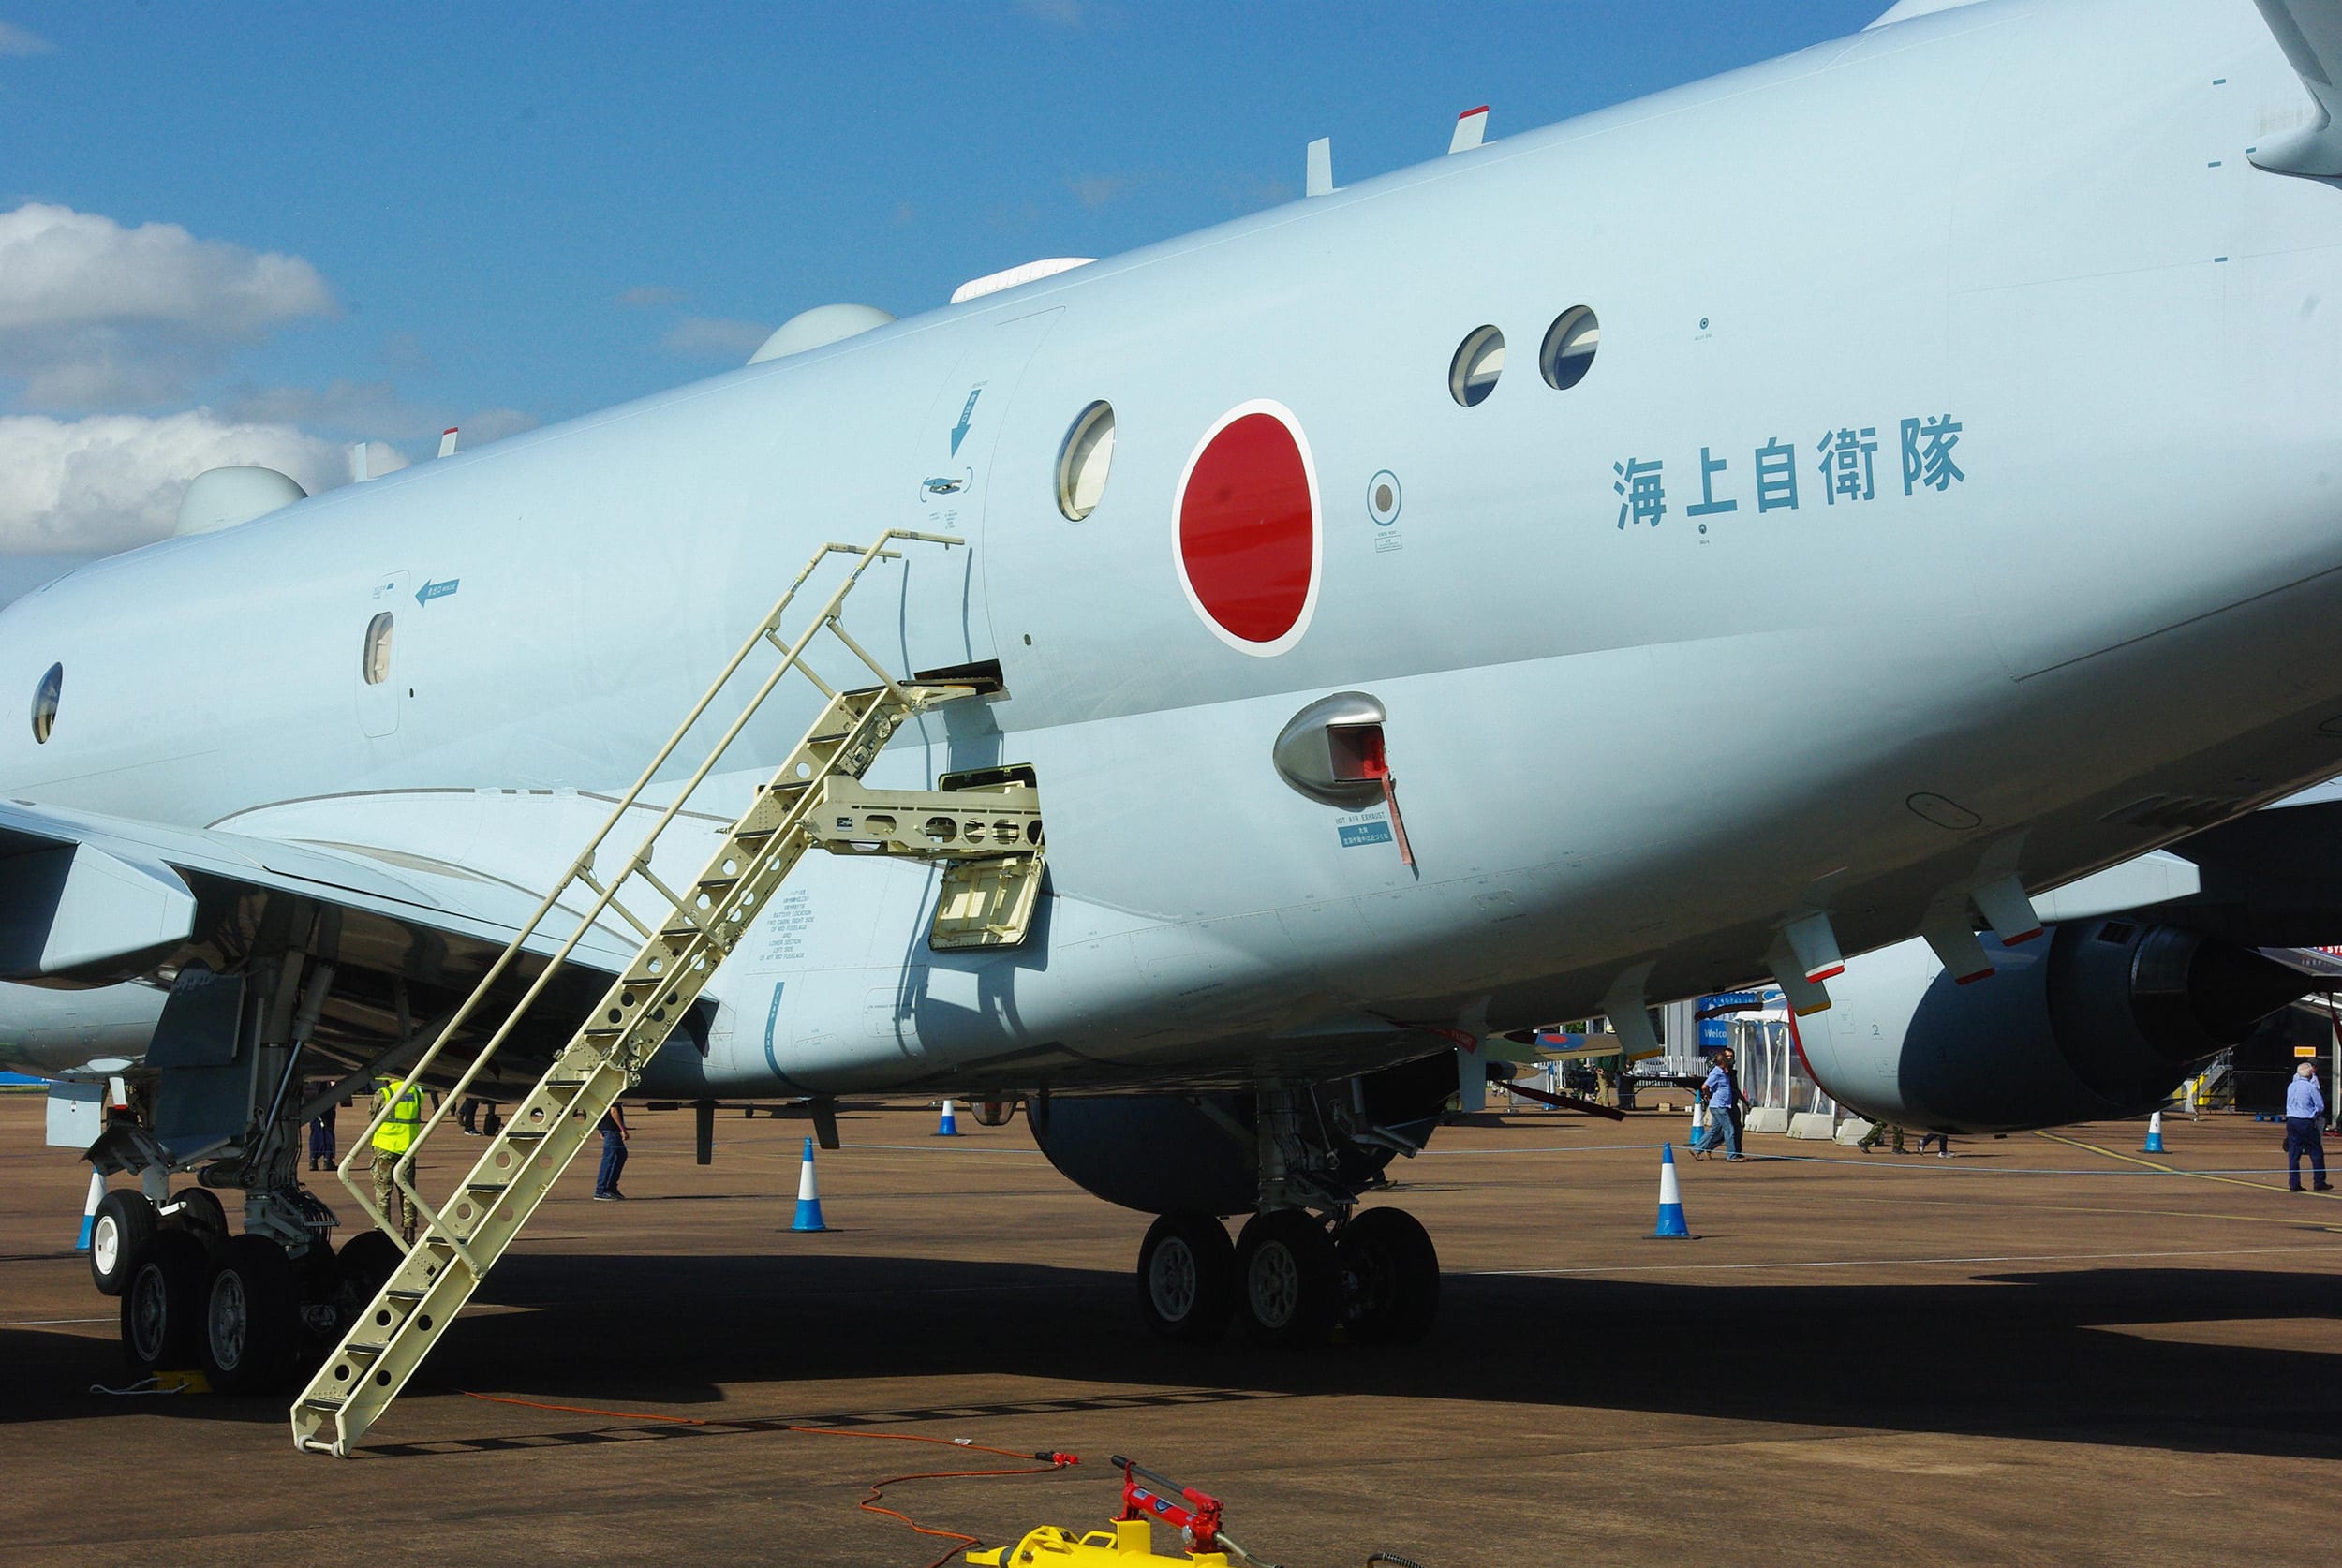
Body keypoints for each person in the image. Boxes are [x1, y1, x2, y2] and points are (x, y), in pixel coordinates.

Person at [371, 1074, 423, 1243]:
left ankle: (383, 1231)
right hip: (407, 1147)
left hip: (385, 1146)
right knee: (407, 1191)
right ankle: (409, 1230)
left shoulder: (384, 1093)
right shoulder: (416, 1092)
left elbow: (373, 1115)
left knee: (383, 1191)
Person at [2285, 1060, 2331, 1193]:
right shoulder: (2311, 1087)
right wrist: (2314, 1114)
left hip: (2292, 1120)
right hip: (2305, 1120)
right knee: (2316, 1151)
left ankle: (2294, 1183)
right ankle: (2319, 1181)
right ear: (2310, 1074)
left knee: (2294, 1153)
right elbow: (2320, 1106)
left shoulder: (2291, 1086)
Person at [1693, 1047, 1744, 1161]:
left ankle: (1697, 1149)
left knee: (1715, 1130)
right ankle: (1732, 1155)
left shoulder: (1725, 1072)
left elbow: (1734, 1089)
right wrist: (1708, 1095)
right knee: (1729, 1129)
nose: (1730, 1060)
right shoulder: (1716, 1072)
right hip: (1719, 1106)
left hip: (1725, 1105)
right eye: (1727, 1058)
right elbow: (1705, 1086)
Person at [593, 1104, 630, 1201]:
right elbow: (613, 1111)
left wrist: (600, 1128)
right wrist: (623, 1129)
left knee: (621, 1155)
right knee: (609, 1158)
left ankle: (611, 1187)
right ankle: (601, 1190)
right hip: (611, 1130)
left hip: (607, 1128)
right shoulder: (612, 1096)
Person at [307, 1100, 337, 1172]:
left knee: (315, 1128)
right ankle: (327, 1159)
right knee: (327, 1128)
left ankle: (313, 1160)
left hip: (311, 1099)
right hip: (326, 1098)